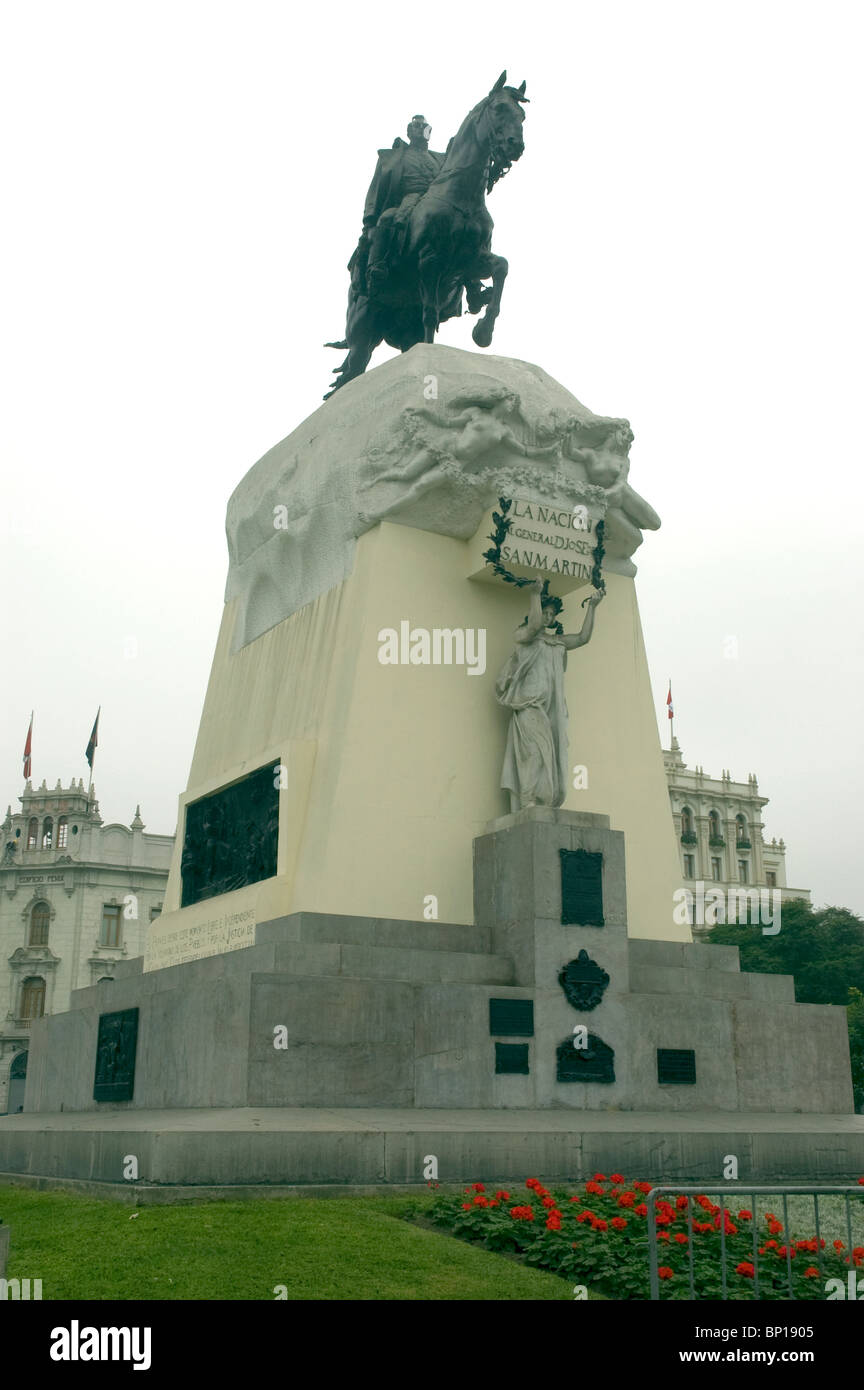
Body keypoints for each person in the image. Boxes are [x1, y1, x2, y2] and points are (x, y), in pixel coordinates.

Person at [496, 580, 604, 812]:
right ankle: (528, 801)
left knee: (550, 756)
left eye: (551, 614)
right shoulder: (524, 636)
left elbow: (583, 638)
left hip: (548, 711)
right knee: (534, 753)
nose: (547, 617)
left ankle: (541, 801)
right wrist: (535, 594)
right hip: (528, 706)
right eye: (544, 612)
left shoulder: (555, 642)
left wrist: (592, 607)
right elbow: (533, 627)